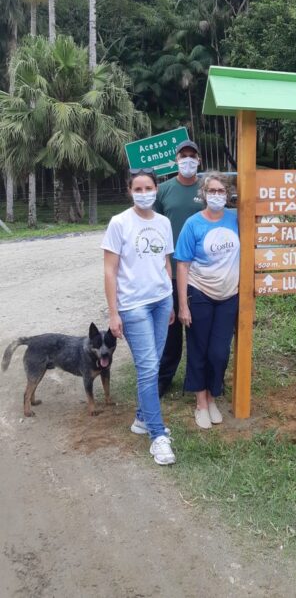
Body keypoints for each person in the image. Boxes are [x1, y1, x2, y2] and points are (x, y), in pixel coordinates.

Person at [102, 168, 176, 466]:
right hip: (133, 306)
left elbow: (165, 261)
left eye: (149, 188)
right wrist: (113, 312)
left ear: (156, 189)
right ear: (130, 191)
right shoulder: (119, 223)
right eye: (138, 188)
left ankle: (142, 419)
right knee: (147, 368)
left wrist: (170, 300)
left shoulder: (164, 222)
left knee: (154, 364)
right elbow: (109, 270)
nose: (144, 193)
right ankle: (158, 436)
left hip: (161, 300)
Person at [174, 172, 240, 430]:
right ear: (203, 194)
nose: (216, 195)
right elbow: (182, 265)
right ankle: (201, 402)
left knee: (219, 352)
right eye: (211, 191)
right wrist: (183, 305)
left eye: (220, 191)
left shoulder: (236, 219)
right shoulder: (193, 224)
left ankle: (213, 396)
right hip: (199, 293)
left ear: (228, 194)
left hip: (228, 295)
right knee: (199, 349)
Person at [154, 139, 202, 397]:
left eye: (191, 156)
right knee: (171, 331)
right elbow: (153, 226)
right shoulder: (163, 191)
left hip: (201, 273)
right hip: (170, 270)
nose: (187, 160)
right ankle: (164, 378)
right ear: (176, 160)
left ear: (199, 161)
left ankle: (197, 379)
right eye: (183, 156)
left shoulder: (207, 190)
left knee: (197, 329)